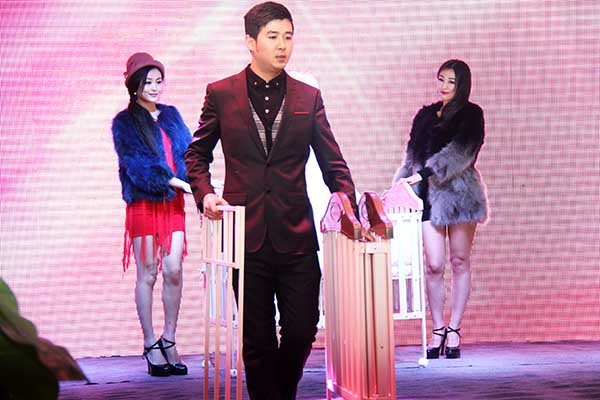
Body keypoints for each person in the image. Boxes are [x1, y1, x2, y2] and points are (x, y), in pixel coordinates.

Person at [185, 2, 359, 398]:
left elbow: (332, 160)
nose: (283, 45)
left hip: (296, 233)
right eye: (273, 37)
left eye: (289, 36)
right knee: (257, 339)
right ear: (251, 42)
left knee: (301, 329)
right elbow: (196, 154)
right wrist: (206, 194)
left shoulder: (308, 97)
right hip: (245, 236)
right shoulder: (221, 93)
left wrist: (345, 199)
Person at [392, 59, 488, 359]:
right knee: (434, 265)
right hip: (427, 197)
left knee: (459, 261)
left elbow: (463, 153)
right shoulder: (424, 116)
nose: (444, 86)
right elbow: (411, 155)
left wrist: (424, 173)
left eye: (451, 82)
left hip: (460, 195)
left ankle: (455, 328)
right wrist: (401, 184)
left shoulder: (472, 115)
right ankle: (437, 328)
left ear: (462, 85)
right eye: (441, 79)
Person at [111, 52, 192, 376]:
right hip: (144, 203)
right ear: (134, 85)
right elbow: (137, 166)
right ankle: (149, 343)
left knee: (174, 270)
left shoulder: (172, 116)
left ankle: (169, 338)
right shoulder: (124, 122)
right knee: (147, 273)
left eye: (159, 81)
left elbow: (190, 154)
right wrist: (175, 182)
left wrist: (201, 183)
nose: (155, 88)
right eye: (148, 82)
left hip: (173, 204)